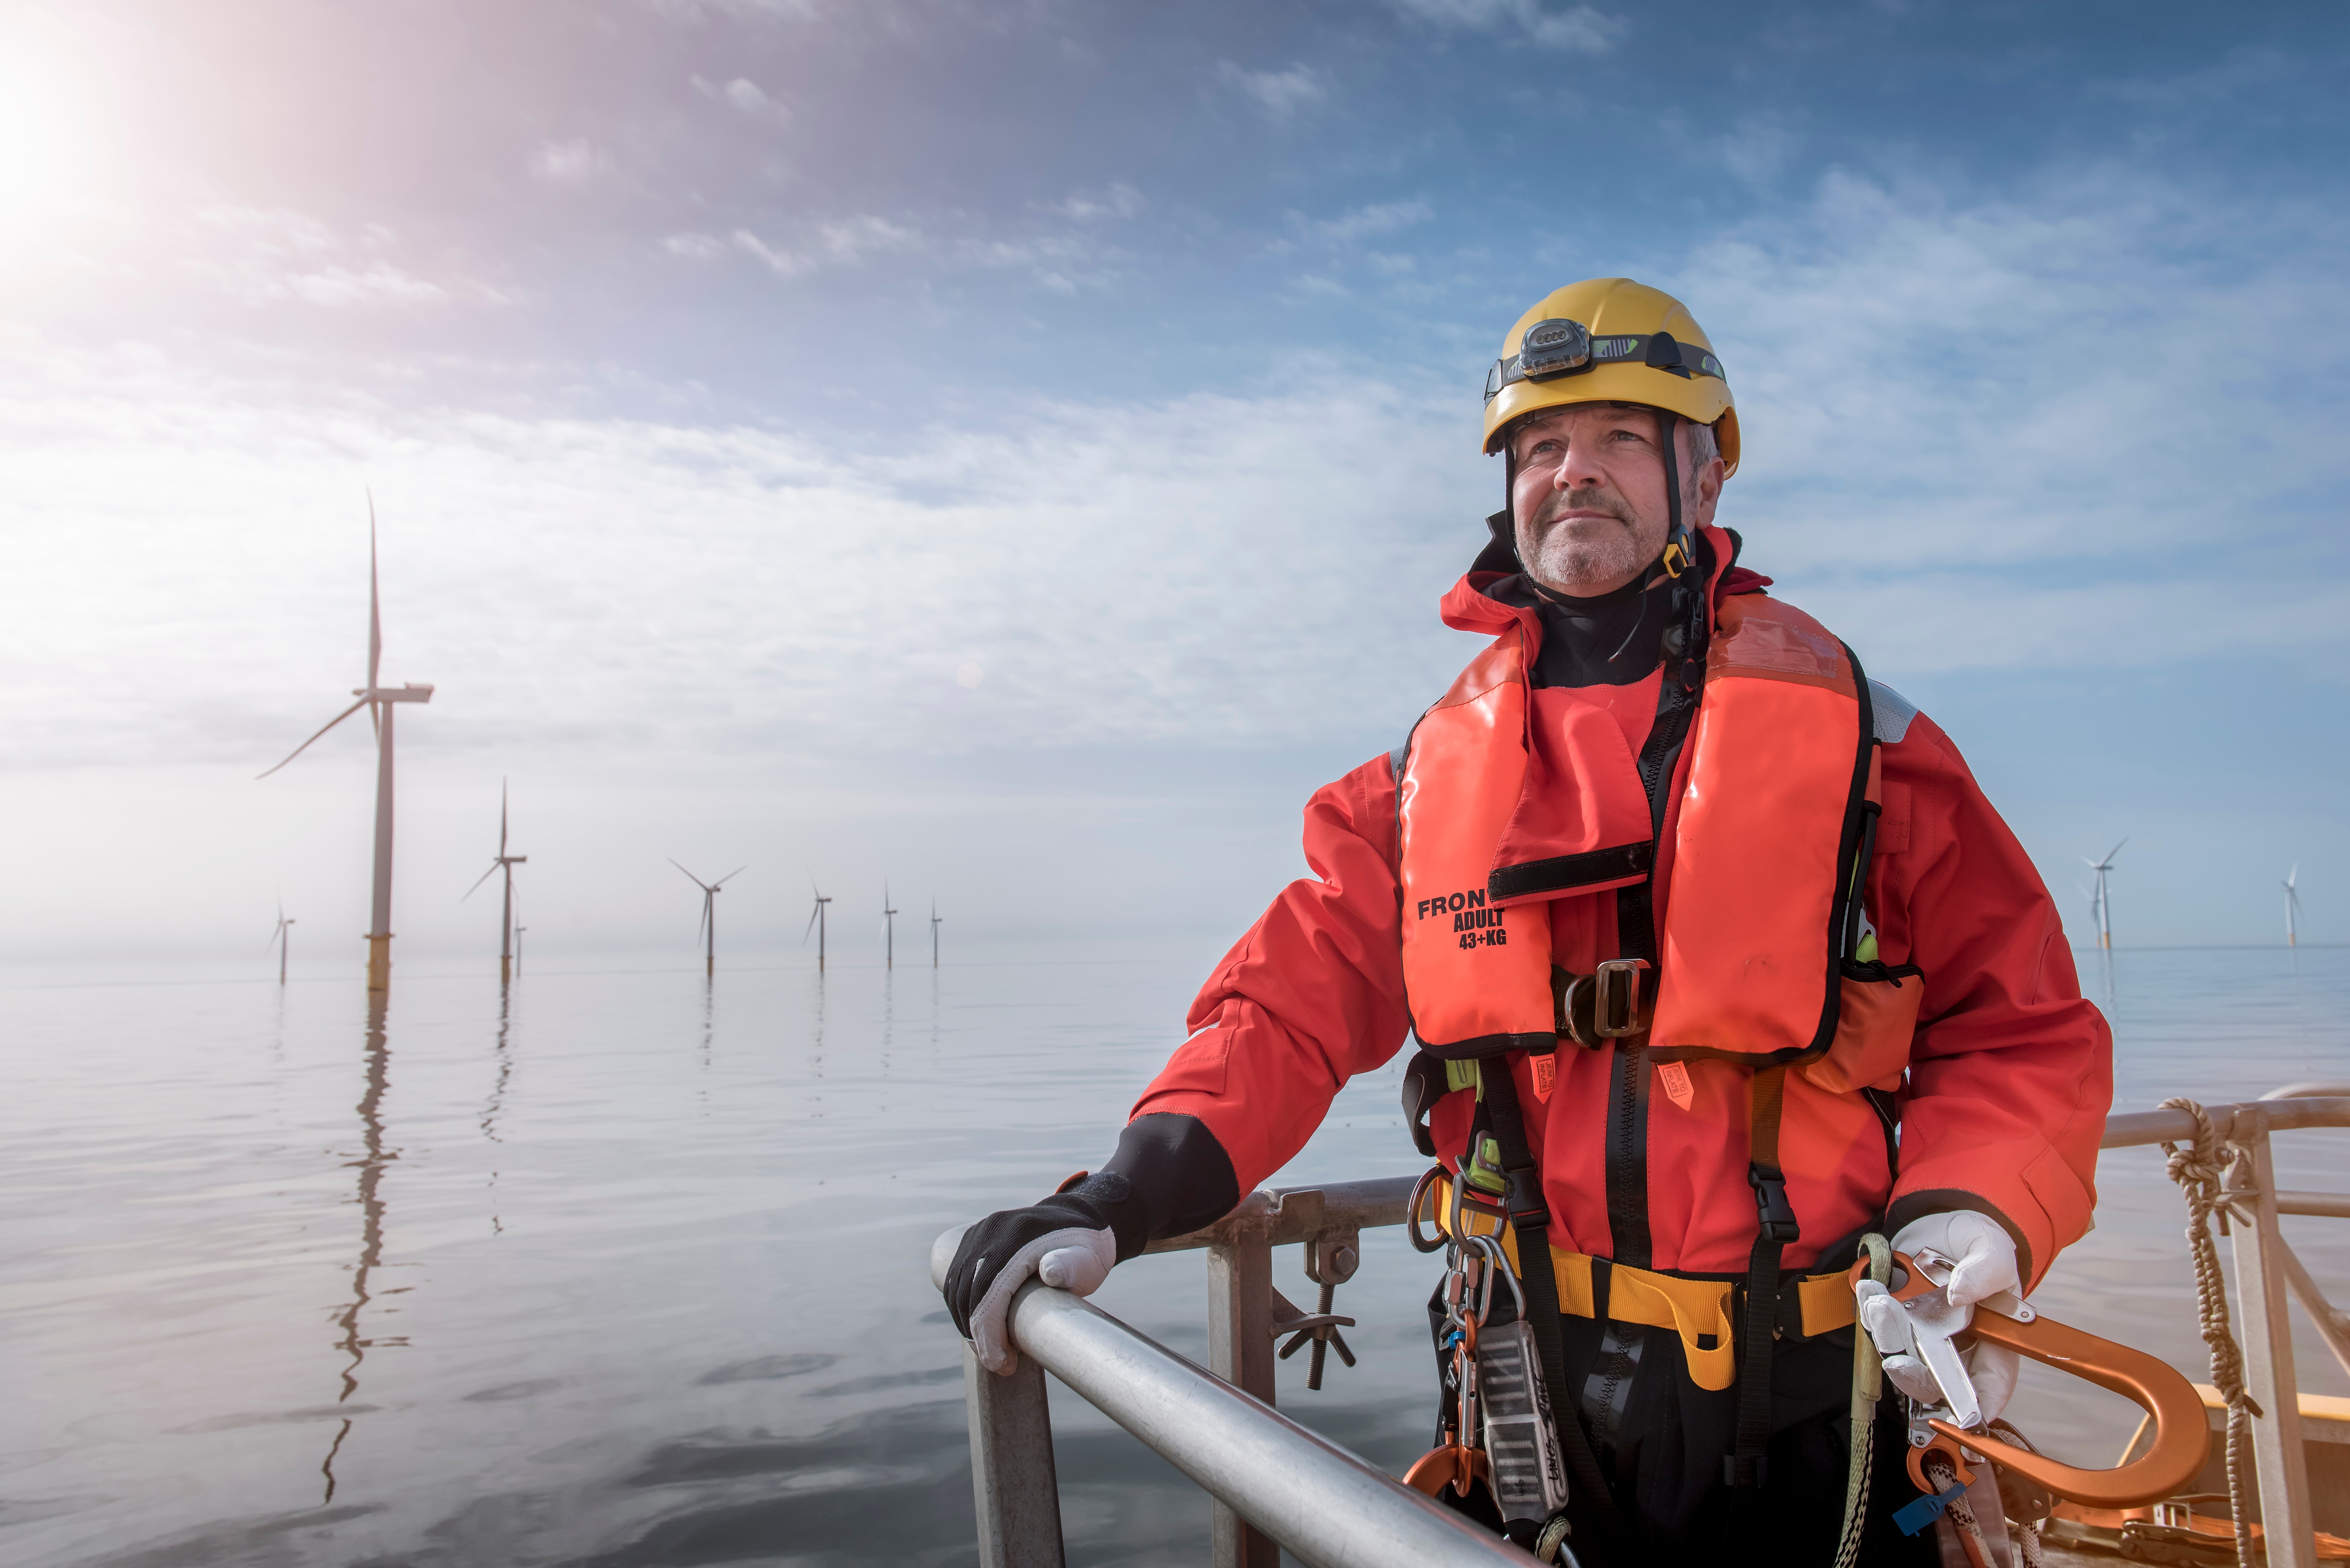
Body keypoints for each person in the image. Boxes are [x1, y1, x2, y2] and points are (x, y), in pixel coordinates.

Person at [943, 278, 2112, 1565]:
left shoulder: (1867, 745)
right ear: (1507, 486)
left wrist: (1976, 1214)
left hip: (1819, 1394)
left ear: (1703, 479)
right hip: (1526, 1376)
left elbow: (2022, 1027)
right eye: (1542, 447)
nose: (1574, 474)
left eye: (1619, 437)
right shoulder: (1423, 778)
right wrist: (1121, 1195)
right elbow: (1284, 1005)